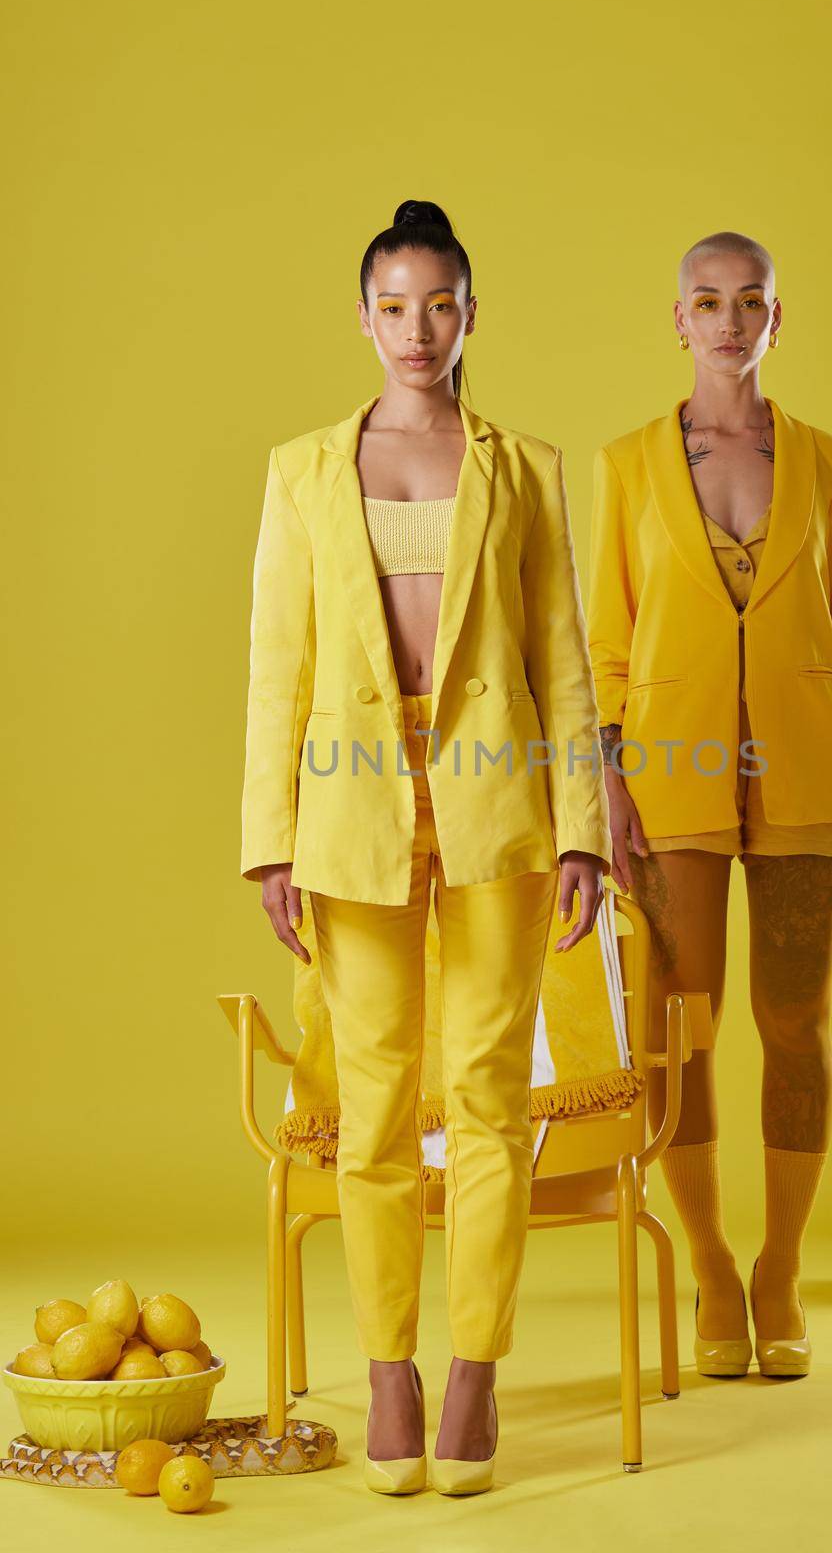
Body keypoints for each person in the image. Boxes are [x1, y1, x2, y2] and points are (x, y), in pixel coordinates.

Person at [240, 199, 611, 1493]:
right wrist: (269, 844)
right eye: (392, 305)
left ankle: (475, 1373)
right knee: (377, 1108)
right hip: (349, 812)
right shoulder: (300, 470)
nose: (416, 328)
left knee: (492, 1103)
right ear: (361, 316)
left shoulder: (525, 468)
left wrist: (584, 834)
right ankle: (389, 1368)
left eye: (439, 303)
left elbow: (562, 662)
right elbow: (273, 669)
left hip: (499, 808)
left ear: (470, 313)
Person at [586, 230, 832, 1380]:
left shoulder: (824, 461)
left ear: (775, 318)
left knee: (793, 1022)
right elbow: (605, 648)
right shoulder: (624, 467)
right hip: (669, 774)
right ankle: (712, 1263)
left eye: (747, 299)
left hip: (807, 771)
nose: (726, 319)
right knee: (680, 1028)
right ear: (676, 320)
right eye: (704, 301)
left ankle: (781, 1269)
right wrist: (608, 780)